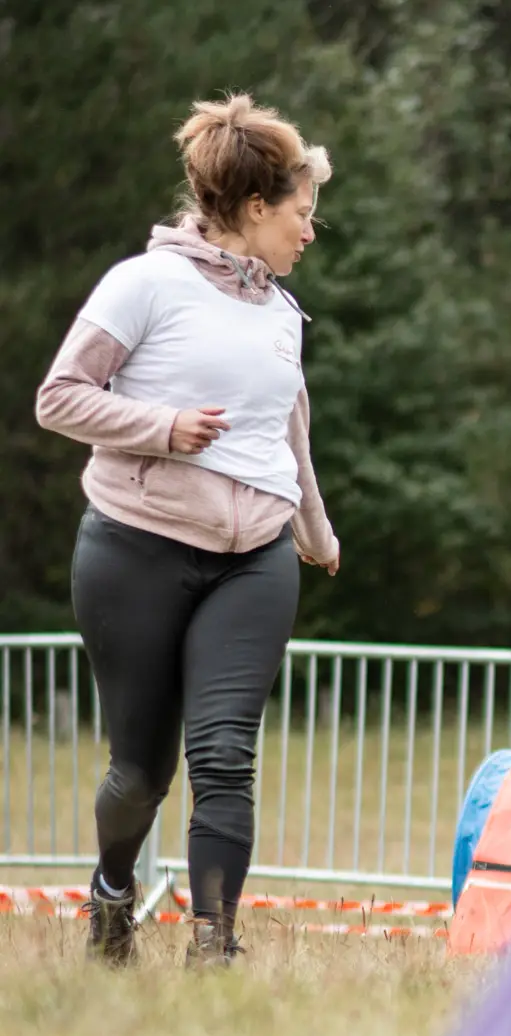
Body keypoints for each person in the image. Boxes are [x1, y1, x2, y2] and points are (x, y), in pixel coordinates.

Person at [33, 93, 341, 969]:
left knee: (225, 754)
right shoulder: (145, 283)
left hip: (254, 558)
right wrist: (164, 428)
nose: (309, 233)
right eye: (301, 214)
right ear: (254, 209)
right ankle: (112, 894)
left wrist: (314, 530)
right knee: (141, 770)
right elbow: (58, 398)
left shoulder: (282, 314)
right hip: (136, 547)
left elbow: (288, 430)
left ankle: (215, 943)